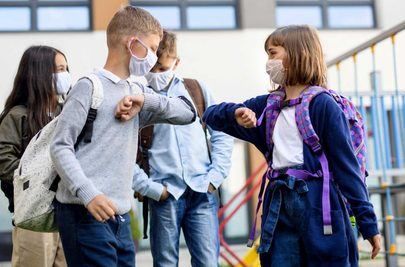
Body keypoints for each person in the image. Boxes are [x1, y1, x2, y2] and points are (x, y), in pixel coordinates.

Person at [202, 25, 381, 267]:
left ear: (297, 54)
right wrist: (236, 112)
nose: (268, 62)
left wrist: (368, 224)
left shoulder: (323, 106)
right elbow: (210, 115)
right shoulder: (266, 107)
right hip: (278, 206)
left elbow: (346, 169)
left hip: (319, 205)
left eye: (273, 53)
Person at [50, 6, 195, 267]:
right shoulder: (88, 86)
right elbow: (60, 146)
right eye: (151, 48)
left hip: (120, 217)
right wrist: (88, 194)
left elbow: (187, 112)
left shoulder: (138, 90)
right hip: (84, 212)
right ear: (132, 44)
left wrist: (145, 99)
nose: (153, 56)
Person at [134, 30, 233, 267]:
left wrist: (215, 177)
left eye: (163, 68)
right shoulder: (138, 97)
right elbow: (123, 151)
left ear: (176, 63)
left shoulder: (195, 90)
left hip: (202, 190)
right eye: (153, 69)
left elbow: (221, 132)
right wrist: (150, 188)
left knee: (208, 262)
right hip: (164, 193)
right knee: (166, 263)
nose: (157, 74)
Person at [0, 45, 68, 267]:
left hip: (67, 212)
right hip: (34, 215)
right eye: (59, 69)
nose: (65, 75)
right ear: (39, 73)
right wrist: (39, 182)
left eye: (66, 68)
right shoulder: (17, 116)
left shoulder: (67, 113)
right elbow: (4, 162)